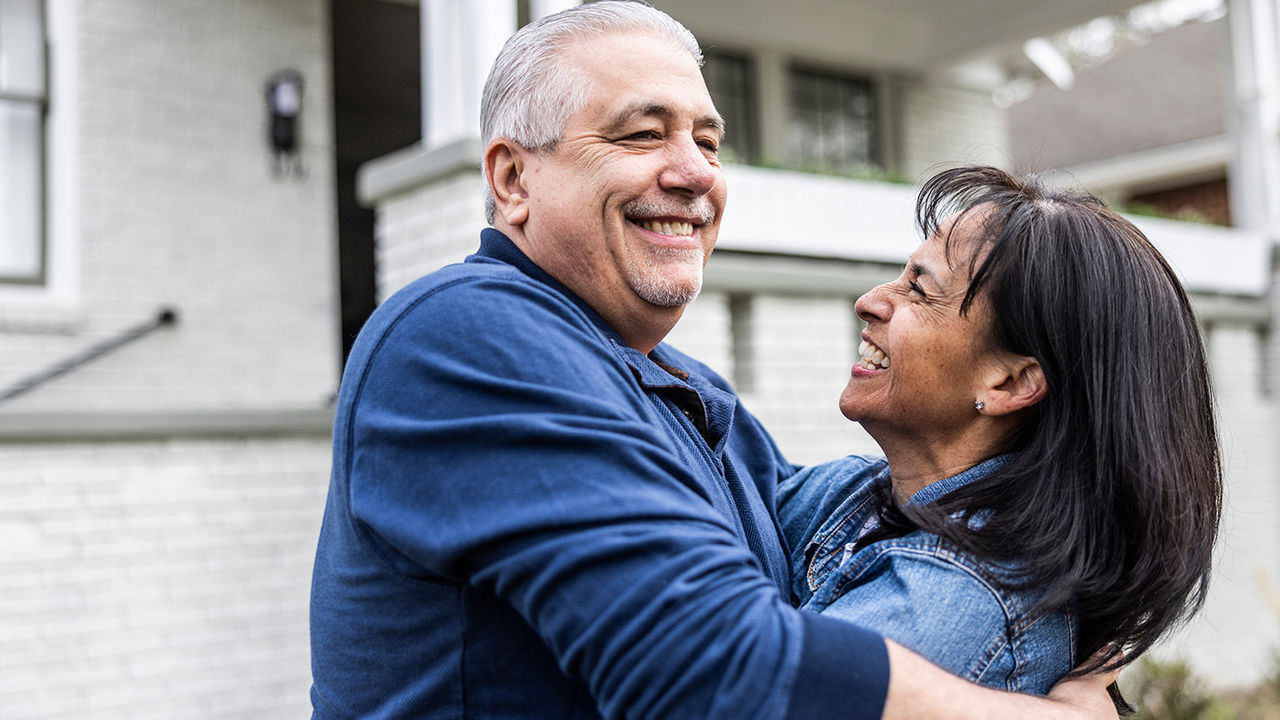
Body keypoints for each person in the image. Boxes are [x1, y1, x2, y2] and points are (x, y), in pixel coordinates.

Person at [309, 4, 1120, 718]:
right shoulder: (466, 335)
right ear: (513, 178)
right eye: (641, 133)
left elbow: (823, 513)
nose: (698, 172)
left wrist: (1077, 572)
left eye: (707, 140)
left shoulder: (675, 380)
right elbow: (711, 667)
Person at [778, 165, 1221, 699]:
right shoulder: (864, 493)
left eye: (919, 290)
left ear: (1010, 382)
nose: (870, 301)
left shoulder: (954, 594)